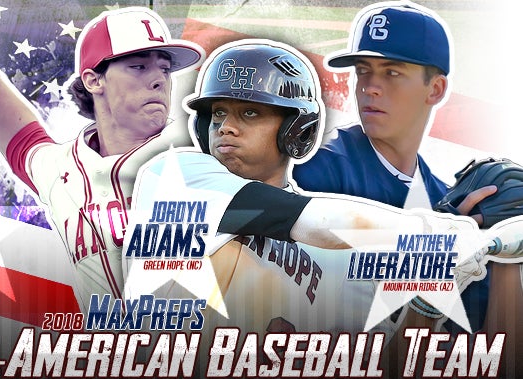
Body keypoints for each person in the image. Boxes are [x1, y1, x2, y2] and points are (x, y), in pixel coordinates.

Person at [123, 39, 489, 343]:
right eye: (218, 113)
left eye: (249, 113)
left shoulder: (344, 258)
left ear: (296, 129)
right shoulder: (176, 178)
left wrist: (430, 299)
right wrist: (429, 233)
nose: (225, 128)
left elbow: (382, 372)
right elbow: (319, 222)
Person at [0, 0, 205, 311]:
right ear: (94, 80)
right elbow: (21, 139)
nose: (159, 79)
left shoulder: (197, 147)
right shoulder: (62, 169)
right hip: (110, 358)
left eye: (166, 69)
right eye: (139, 66)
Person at [290, 1, 522, 379]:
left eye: (392, 72)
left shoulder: (448, 199)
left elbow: (499, 358)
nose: (370, 88)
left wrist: (505, 252)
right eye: (363, 71)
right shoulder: (315, 172)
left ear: (436, 89)